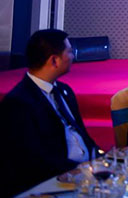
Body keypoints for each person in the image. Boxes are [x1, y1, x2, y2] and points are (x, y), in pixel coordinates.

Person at [0, 30, 98, 196]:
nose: (73, 56)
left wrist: (103, 160)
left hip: (84, 174)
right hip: (51, 184)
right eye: (69, 52)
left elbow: (82, 135)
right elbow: (32, 160)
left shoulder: (64, 91)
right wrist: (78, 170)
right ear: (54, 60)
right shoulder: (18, 103)